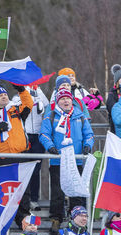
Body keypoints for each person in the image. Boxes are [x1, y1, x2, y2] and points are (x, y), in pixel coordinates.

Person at [40, 88, 94, 226]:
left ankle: (76, 219)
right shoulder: (51, 115)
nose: (65, 101)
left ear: (72, 100)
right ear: (58, 101)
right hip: (58, 161)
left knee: (76, 192)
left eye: (68, 98)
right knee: (58, 191)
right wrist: (50, 146)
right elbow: (44, 134)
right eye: (62, 99)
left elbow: (89, 134)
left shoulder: (80, 116)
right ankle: (56, 219)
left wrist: (87, 145)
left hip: (76, 160)